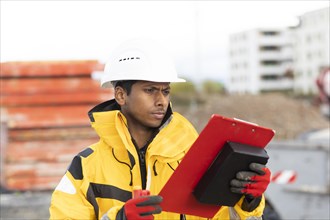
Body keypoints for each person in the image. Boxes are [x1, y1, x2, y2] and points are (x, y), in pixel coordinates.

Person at [49, 39, 271, 220]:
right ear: (120, 95)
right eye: (150, 90)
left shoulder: (192, 158)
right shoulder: (86, 165)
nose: (161, 101)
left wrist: (247, 202)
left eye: (165, 91)